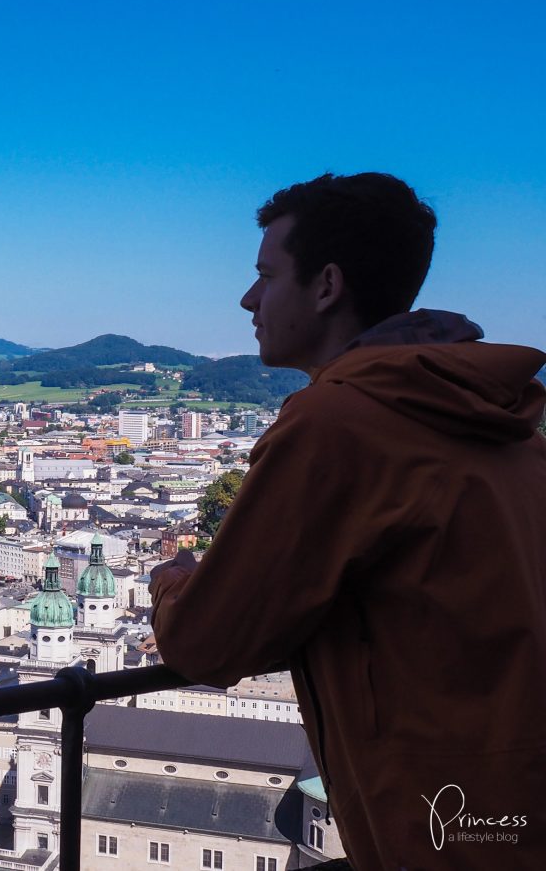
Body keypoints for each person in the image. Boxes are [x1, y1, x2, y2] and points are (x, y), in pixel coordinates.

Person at [148, 172, 546, 870]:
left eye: (266, 276)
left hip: (441, 823)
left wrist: (175, 582)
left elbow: (205, 645)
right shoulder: (506, 423)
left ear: (327, 286)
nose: (247, 299)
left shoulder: (340, 423)